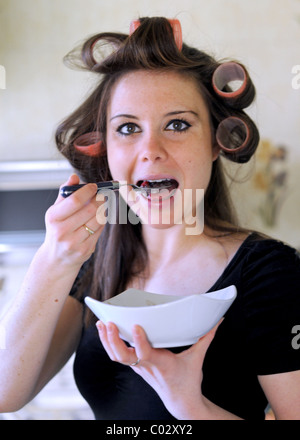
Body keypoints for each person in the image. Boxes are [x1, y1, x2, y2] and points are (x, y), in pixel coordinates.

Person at [1, 16, 300, 421]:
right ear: (104, 150)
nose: (151, 149)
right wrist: (53, 256)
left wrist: (189, 405)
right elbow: (6, 394)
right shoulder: (89, 262)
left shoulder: (271, 271)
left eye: (177, 124)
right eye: (127, 128)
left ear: (217, 141)